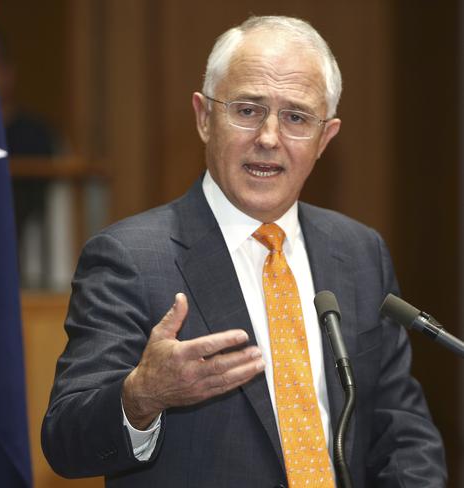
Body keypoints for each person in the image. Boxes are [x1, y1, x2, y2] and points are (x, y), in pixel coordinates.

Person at [41, 15, 447, 487]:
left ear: (325, 139)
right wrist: (141, 395)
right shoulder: (129, 257)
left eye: (296, 117)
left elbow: (401, 430)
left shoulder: (360, 252)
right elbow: (65, 439)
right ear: (204, 118)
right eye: (248, 110)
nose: (269, 137)